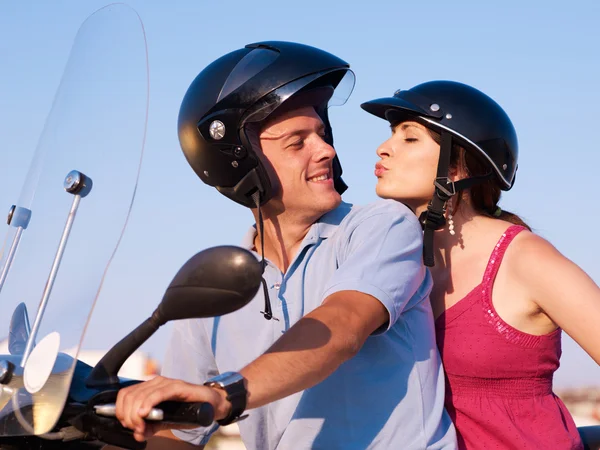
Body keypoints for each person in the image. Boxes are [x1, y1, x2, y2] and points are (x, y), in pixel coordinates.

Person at [113, 42, 457, 450]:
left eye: (322, 134)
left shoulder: (380, 226)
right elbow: (179, 433)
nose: (327, 150)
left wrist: (224, 395)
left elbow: (342, 323)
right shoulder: (213, 284)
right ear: (241, 165)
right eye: (298, 143)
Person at [361, 80, 600, 449]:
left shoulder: (525, 258)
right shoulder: (398, 263)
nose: (383, 148)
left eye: (409, 138)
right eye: (391, 135)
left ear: (457, 167)